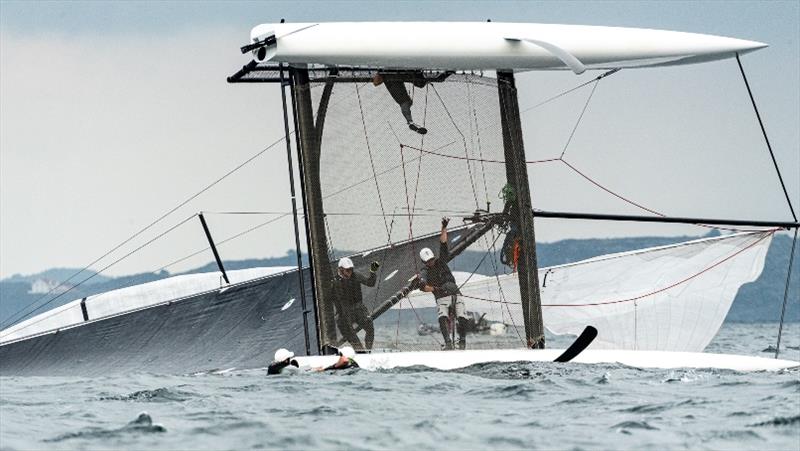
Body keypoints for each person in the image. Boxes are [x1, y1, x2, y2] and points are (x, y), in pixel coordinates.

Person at [418, 217, 468, 350]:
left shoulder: (441, 261)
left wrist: (444, 227)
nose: (431, 262)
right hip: (442, 297)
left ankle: (462, 343)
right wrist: (433, 288)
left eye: (432, 259)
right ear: (424, 262)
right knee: (443, 318)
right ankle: (449, 344)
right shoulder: (425, 271)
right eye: (428, 261)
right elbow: (422, 286)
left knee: (462, 317)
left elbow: (443, 243)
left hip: (456, 293)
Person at [372, 70, 451, 135]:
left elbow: (405, 109)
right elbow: (376, 83)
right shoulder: (401, 98)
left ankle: (448, 72)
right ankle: (447, 73)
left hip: (394, 74)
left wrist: (410, 122)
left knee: (421, 83)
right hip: (394, 75)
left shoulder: (402, 100)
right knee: (420, 83)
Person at [332, 257, 380, 352]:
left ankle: (369, 350)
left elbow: (370, 283)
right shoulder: (334, 282)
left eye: (351, 269)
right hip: (344, 314)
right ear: (341, 269)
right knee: (355, 340)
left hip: (358, 309)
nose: (350, 272)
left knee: (370, 327)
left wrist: (373, 271)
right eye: (347, 270)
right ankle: (361, 353)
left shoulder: (356, 275)